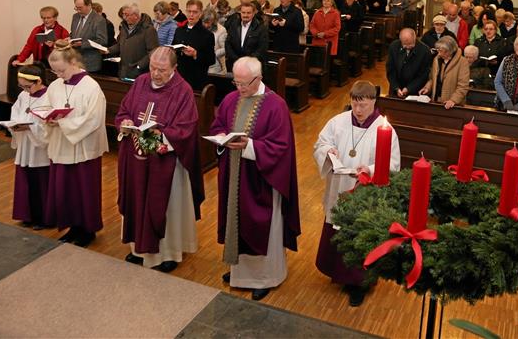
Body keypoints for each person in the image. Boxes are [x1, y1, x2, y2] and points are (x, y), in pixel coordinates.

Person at [210, 57, 301, 301]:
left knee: (262, 226)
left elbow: (281, 147)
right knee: (235, 221)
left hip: (262, 179)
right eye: (236, 83)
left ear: (259, 79)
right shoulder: (231, 99)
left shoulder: (276, 105)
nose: (240, 89)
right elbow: (217, 124)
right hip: (234, 175)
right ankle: (239, 272)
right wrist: (219, 135)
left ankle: (264, 278)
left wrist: (249, 145)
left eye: (244, 84)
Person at [116, 47, 205, 272]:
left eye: (162, 70)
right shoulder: (140, 82)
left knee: (166, 207)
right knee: (137, 199)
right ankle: (138, 248)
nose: (155, 74)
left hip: (165, 163)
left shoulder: (182, 90)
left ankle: (168, 254)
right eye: (153, 68)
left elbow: (186, 128)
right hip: (137, 158)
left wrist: (161, 135)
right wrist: (125, 122)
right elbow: (125, 110)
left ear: (174, 68)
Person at [313, 81, 401, 306]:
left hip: (365, 191)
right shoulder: (338, 121)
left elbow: (393, 164)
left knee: (359, 233)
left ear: (373, 101)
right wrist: (328, 151)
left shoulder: (384, 129)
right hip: (339, 186)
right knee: (337, 229)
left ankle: (358, 283)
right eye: (354, 103)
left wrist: (369, 170)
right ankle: (339, 274)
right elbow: (321, 143)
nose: (358, 109)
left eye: (363, 104)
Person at [44, 42, 107, 247]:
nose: (58, 75)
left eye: (61, 70)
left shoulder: (91, 86)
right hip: (61, 145)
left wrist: (64, 123)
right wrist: (48, 119)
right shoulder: (55, 86)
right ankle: (71, 227)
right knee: (65, 189)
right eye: (54, 71)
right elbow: (46, 108)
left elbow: (94, 119)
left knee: (84, 189)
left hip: (83, 147)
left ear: (73, 62)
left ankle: (87, 230)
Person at [10, 65, 52, 229]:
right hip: (25, 144)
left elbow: (48, 123)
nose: (25, 90)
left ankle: (44, 218)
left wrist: (31, 126)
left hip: (39, 147)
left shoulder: (49, 97)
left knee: (41, 181)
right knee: (26, 179)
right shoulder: (23, 95)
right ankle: (27, 214)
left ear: (39, 81)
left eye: (28, 86)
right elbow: (16, 112)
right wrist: (14, 125)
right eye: (22, 86)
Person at [104, 3, 159, 80]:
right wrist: (108, 50)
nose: (124, 17)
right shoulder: (124, 28)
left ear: (136, 16)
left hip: (140, 72)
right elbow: (120, 45)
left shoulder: (148, 30)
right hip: (124, 70)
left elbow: (153, 51)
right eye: (123, 15)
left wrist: (139, 66)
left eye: (127, 15)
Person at [171, 0, 216, 90]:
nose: (191, 15)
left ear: (200, 13)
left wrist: (195, 54)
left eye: (195, 12)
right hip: (180, 76)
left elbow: (211, 59)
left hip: (196, 79)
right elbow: (173, 48)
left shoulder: (207, 34)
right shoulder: (179, 30)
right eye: (189, 11)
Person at [419, 36, 469, 110]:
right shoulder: (436, 59)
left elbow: (463, 86)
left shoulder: (462, 62)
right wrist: (427, 88)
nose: (439, 53)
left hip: (452, 105)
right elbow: (432, 78)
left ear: (450, 51)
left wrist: (453, 100)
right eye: (438, 50)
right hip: (436, 101)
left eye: (441, 51)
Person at [67, 0, 108, 73]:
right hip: (75, 61)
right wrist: (69, 38)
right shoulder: (75, 17)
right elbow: (74, 33)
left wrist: (83, 44)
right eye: (76, 8)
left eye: (80, 8)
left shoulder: (98, 20)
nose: (78, 10)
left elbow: (102, 41)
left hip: (90, 63)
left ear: (89, 5)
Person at [386, 28, 431, 98]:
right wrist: (396, 87)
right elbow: (391, 70)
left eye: (410, 44)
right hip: (396, 90)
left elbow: (423, 75)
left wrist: (409, 88)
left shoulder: (425, 51)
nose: (407, 47)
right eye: (404, 44)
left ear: (415, 38)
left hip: (414, 90)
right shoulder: (394, 46)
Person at [225, 2, 269, 70]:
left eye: (248, 13)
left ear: (254, 13)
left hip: (252, 66)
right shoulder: (234, 25)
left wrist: (247, 61)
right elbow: (228, 43)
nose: (245, 15)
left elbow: (262, 48)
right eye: (243, 12)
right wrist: (236, 59)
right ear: (240, 12)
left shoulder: (261, 28)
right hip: (234, 64)